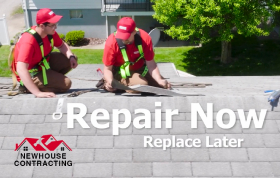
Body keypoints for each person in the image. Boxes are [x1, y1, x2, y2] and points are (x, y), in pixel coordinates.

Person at [12, 8, 78, 98]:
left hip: (41, 65)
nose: (56, 27)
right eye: (52, 25)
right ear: (42, 26)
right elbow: (21, 69)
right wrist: (37, 93)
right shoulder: (28, 41)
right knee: (66, 84)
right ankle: (27, 87)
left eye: (56, 24)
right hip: (31, 74)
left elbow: (62, 45)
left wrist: (71, 57)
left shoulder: (50, 33)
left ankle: (50, 79)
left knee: (71, 58)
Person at [101, 17, 171, 92]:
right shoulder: (111, 42)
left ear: (134, 32)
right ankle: (118, 83)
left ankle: (136, 82)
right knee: (142, 86)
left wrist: (159, 80)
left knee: (163, 86)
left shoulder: (144, 38)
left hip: (140, 69)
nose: (123, 39)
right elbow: (107, 69)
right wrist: (111, 82)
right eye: (121, 35)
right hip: (121, 72)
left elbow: (151, 64)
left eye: (126, 36)